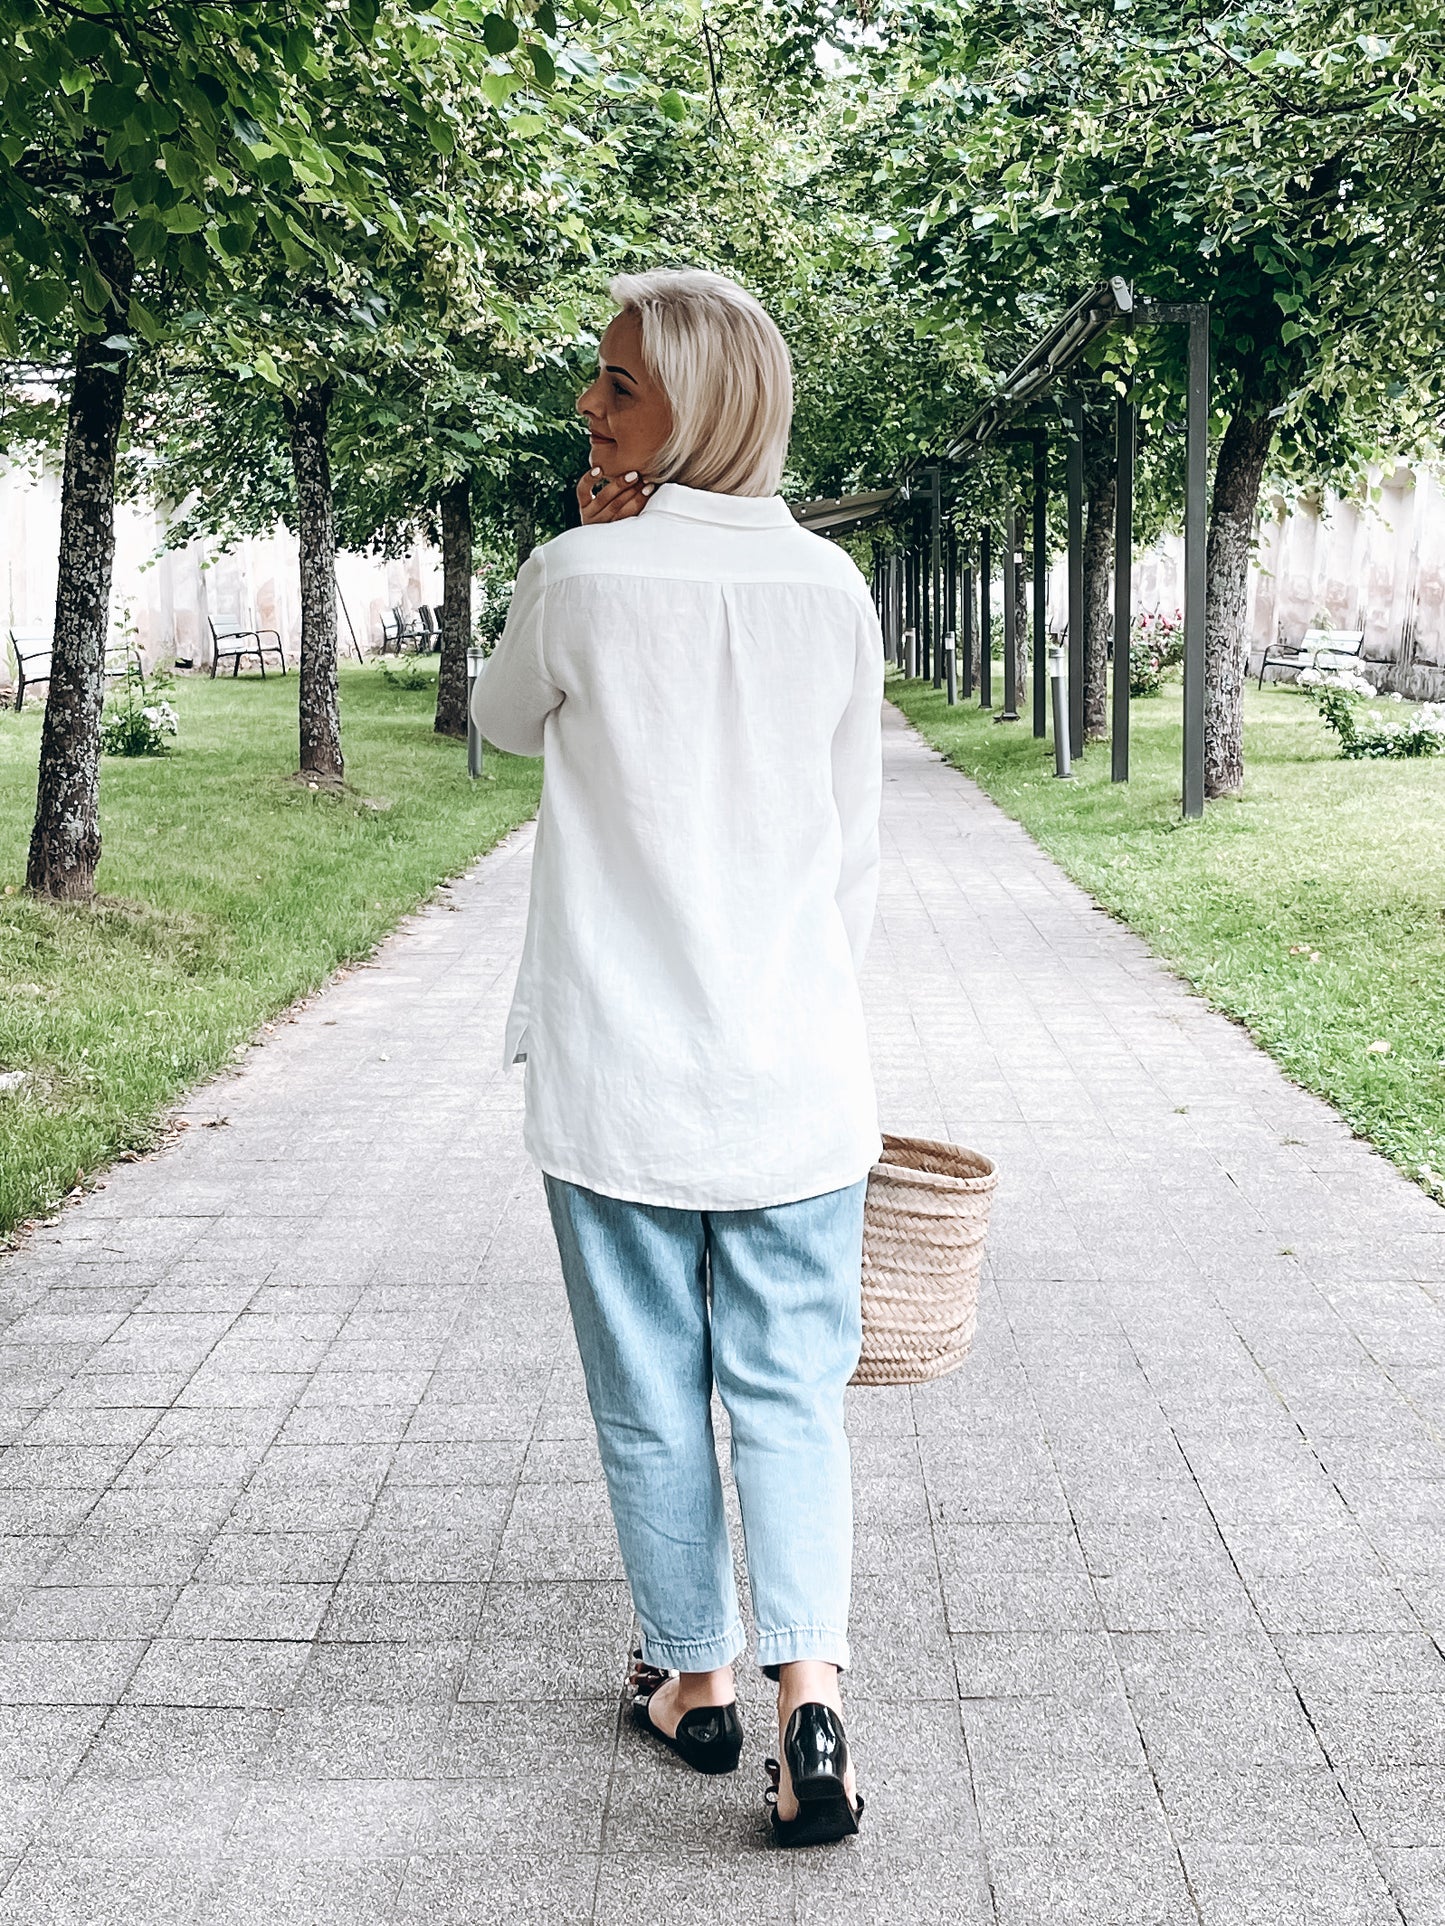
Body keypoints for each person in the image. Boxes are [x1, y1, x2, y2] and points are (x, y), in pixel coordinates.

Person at [471, 266, 883, 1848]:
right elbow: (851, 859)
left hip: (619, 1068)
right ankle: (812, 1698)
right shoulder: (828, 593)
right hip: (792, 1072)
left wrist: (586, 536)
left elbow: (506, 723)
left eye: (619, 385)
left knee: (651, 1389)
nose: (592, 405)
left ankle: (693, 1679)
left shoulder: (579, 573)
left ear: (695, 408)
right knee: (790, 1392)